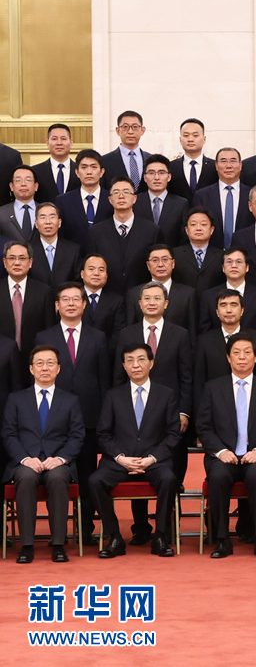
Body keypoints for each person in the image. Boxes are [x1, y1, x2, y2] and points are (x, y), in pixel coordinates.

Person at [196, 333, 256, 559]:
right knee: (218, 476)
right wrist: (220, 451)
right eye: (236, 353)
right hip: (223, 456)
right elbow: (204, 427)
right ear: (228, 358)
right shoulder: (213, 388)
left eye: (247, 352)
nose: (242, 357)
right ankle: (222, 539)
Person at [34, 283, 110, 545]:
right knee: (56, 473)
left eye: (76, 299)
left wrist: (104, 416)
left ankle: (85, 529)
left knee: (87, 474)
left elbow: (104, 380)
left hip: (89, 416)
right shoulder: (44, 336)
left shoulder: (98, 337)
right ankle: (57, 530)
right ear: (57, 306)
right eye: (65, 299)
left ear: (84, 305)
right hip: (53, 418)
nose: (70, 304)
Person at [89, 342, 180, 558]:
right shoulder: (113, 395)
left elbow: (173, 434)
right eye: (129, 360)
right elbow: (103, 434)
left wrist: (151, 458)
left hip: (153, 461)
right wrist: (121, 458)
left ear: (151, 363)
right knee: (95, 481)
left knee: (169, 479)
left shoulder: (166, 395)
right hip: (121, 461)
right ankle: (115, 537)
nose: (135, 365)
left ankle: (160, 536)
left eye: (140, 359)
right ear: (123, 366)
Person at [114, 282, 192, 517]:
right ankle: (140, 525)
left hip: (170, 413)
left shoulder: (180, 334)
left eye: (157, 298)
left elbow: (186, 376)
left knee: (171, 471)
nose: (151, 303)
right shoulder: (127, 333)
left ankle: (168, 523)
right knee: (137, 466)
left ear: (166, 304)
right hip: (135, 411)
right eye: (147, 298)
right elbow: (118, 376)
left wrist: (184, 411)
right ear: (139, 304)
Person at [1, 346, 84, 563]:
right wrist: (25, 459)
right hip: (26, 462)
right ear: (31, 369)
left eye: (50, 363)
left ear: (58, 368)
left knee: (57, 478)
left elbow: (77, 436)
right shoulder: (16, 399)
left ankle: (58, 545)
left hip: (57, 462)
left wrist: (60, 459)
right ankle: (27, 546)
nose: (45, 368)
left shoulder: (70, 401)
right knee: (26, 478)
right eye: (39, 363)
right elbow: (9, 434)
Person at [87, 176, 164, 295]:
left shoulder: (152, 231)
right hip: (108, 296)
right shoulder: (96, 232)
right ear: (110, 199)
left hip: (142, 296)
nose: (121, 196)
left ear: (134, 198)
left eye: (126, 192)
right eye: (116, 192)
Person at [0, 241, 55, 377]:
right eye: (12, 258)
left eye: (22, 258)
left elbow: (49, 330)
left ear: (30, 262)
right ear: (4, 262)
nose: (17, 263)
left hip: (35, 363)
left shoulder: (44, 292)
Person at [199, 247, 256, 339]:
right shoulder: (208, 296)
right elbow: (204, 333)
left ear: (247, 267)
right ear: (223, 268)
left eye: (239, 261)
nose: (234, 265)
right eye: (229, 262)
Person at [125, 244, 197, 338]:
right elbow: (130, 330)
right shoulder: (134, 293)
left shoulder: (188, 294)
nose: (160, 264)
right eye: (155, 260)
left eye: (165, 259)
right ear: (148, 265)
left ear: (173, 263)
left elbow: (192, 330)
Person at [193, 147, 254, 249]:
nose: (228, 166)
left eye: (233, 161)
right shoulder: (202, 195)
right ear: (216, 166)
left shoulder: (252, 194)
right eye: (223, 161)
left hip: (246, 252)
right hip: (212, 253)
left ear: (240, 165)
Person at [56, 149, 113, 254]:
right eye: (84, 167)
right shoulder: (63, 201)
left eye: (94, 167)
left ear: (102, 172)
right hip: (74, 259)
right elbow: (60, 236)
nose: (89, 172)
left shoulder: (112, 199)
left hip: (106, 258)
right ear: (77, 172)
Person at [134, 155, 189, 249]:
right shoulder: (135, 201)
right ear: (145, 178)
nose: (156, 177)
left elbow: (184, 237)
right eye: (151, 173)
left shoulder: (181, 204)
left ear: (169, 177)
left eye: (161, 173)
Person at [171, 207, 225, 297]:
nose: (198, 228)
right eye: (193, 224)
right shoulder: (175, 254)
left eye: (203, 224)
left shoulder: (222, 256)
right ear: (187, 230)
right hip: (183, 302)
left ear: (211, 230)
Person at [29, 202, 82, 289]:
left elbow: (77, 281)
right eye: (43, 217)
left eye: (52, 217)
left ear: (59, 222)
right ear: (36, 224)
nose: (48, 222)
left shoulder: (73, 250)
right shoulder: (27, 250)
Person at [80, 254, 126, 346]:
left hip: (107, 352)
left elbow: (118, 332)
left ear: (106, 275)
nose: (96, 273)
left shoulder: (117, 301)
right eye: (91, 269)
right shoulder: (72, 298)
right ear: (82, 274)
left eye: (101, 270)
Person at [101, 111, 151, 192]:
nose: (130, 132)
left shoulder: (151, 160)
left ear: (142, 130)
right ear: (118, 130)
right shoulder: (104, 161)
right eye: (125, 127)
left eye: (135, 127)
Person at [168, 118, 217, 202]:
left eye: (195, 135)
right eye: (186, 135)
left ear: (204, 139)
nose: (190, 139)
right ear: (180, 139)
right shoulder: (170, 167)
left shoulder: (215, 167)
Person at [33, 124, 80, 202]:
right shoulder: (35, 171)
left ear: (71, 142)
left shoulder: (80, 170)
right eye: (54, 139)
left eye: (63, 139)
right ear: (47, 142)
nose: (59, 143)